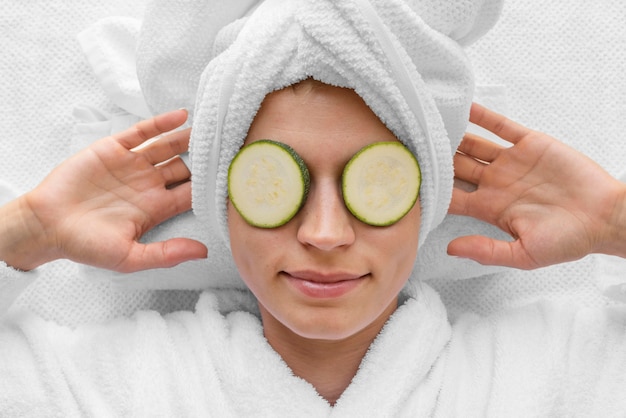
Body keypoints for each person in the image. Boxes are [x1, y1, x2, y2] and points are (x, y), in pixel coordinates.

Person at [1, 0, 626, 415]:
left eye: (375, 184)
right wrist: (23, 231)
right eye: (275, 184)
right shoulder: (115, 390)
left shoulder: (546, 376)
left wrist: (613, 220)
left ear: (425, 201)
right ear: (221, 203)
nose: (325, 233)